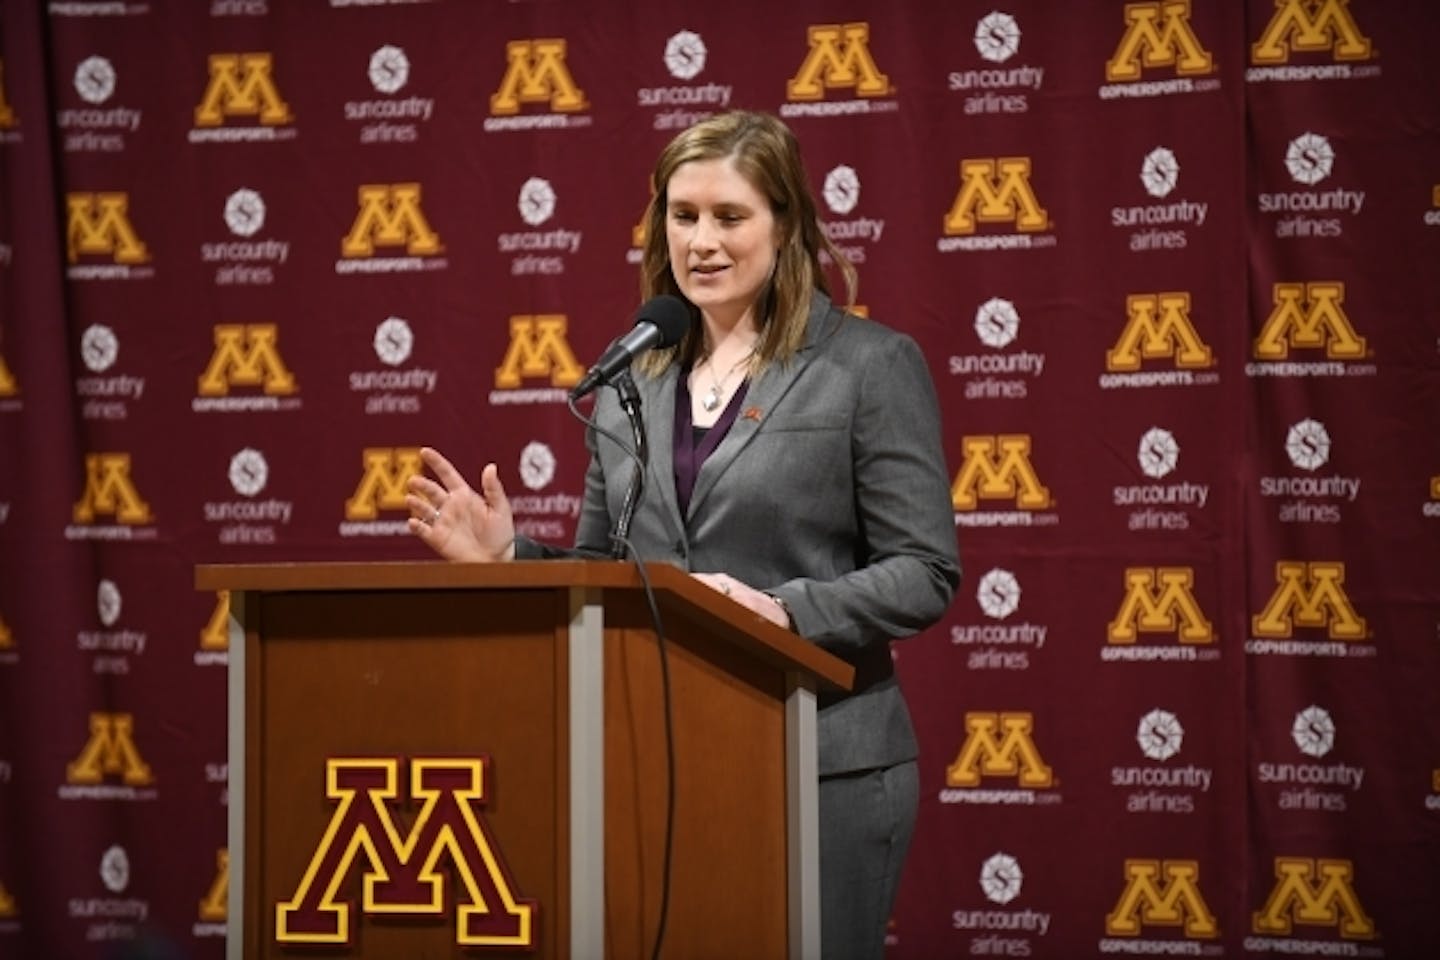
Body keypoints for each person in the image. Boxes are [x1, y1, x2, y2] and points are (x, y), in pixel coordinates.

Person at [406, 110, 960, 959]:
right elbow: (607, 569)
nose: (701, 240)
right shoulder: (638, 375)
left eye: (730, 216)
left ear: (787, 226)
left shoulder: (868, 367)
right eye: (683, 214)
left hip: (823, 764)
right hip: (664, 757)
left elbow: (924, 571)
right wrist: (510, 558)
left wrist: (781, 611)